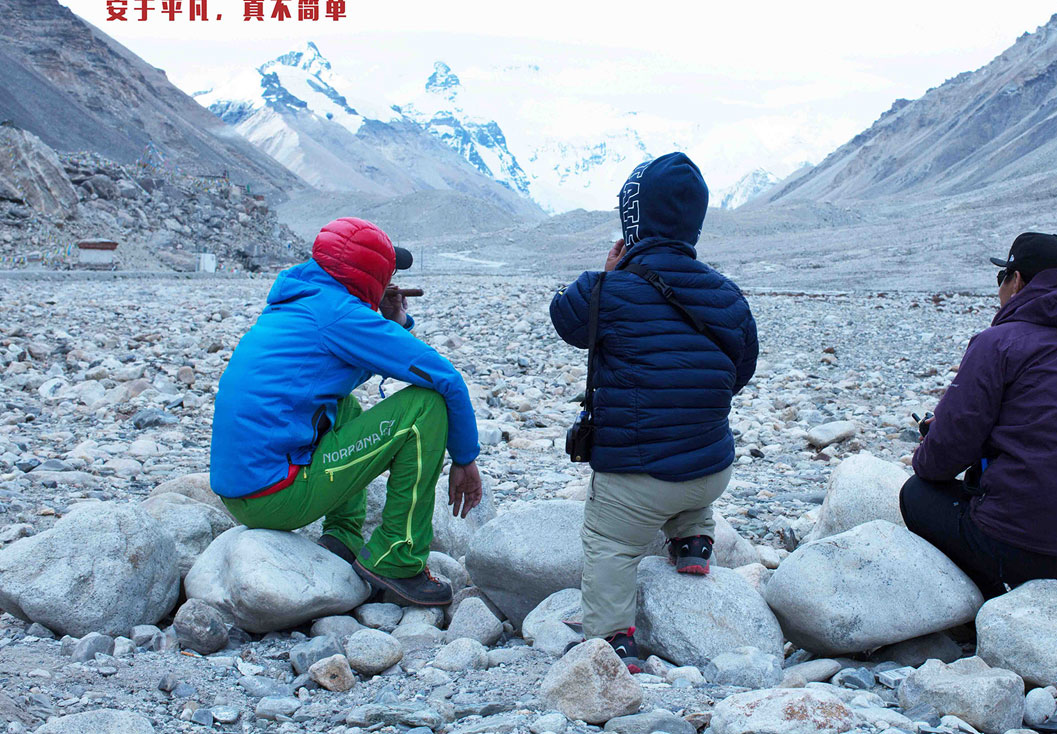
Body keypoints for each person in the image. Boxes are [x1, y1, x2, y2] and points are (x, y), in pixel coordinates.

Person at [550, 152, 758, 671]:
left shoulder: (608, 290)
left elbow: (565, 319)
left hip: (637, 483)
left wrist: (607, 274)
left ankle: (612, 640)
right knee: (686, 442)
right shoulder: (728, 296)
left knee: (609, 540)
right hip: (711, 472)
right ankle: (693, 540)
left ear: (632, 221)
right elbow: (743, 370)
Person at [210, 217, 484, 606]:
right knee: (426, 407)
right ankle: (398, 559)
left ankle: (342, 537)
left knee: (345, 404)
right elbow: (446, 379)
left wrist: (395, 320)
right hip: (274, 497)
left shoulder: (303, 300)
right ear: (370, 277)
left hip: (242, 490)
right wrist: (465, 458)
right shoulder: (341, 315)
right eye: (387, 272)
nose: (392, 278)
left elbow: (339, 370)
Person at [899, 232, 1057, 599]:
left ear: (1017, 282)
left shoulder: (999, 342)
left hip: (1023, 547)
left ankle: (988, 600)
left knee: (917, 494)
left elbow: (941, 460)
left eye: (1002, 277)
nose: (999, 289)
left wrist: (933, 441)